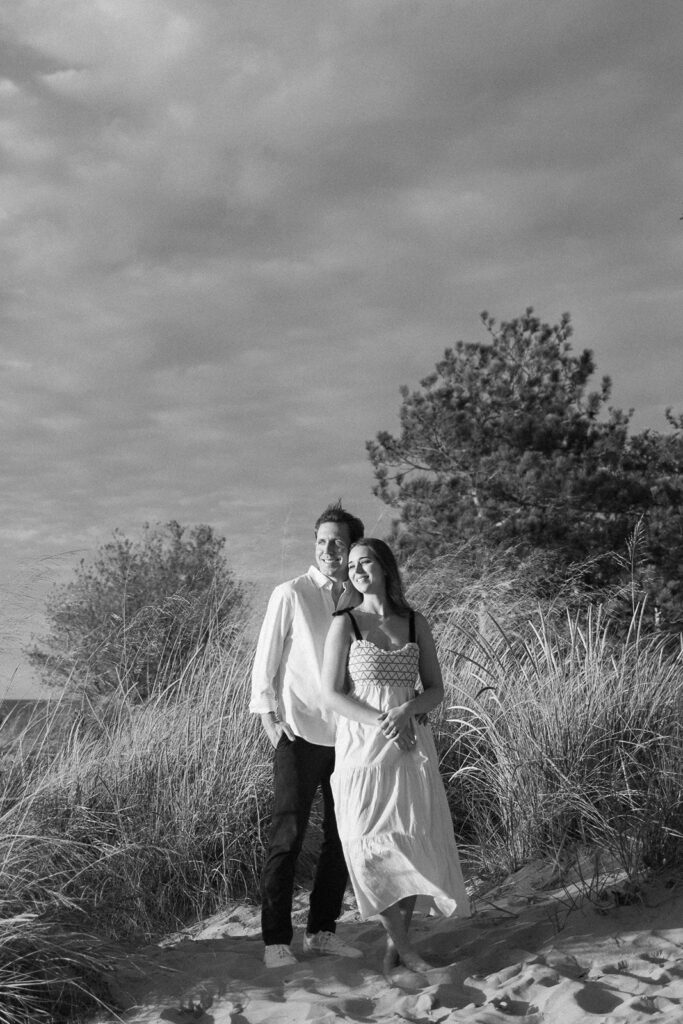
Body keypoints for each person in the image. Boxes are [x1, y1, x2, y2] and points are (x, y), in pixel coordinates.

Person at [321, 537, 470, 975]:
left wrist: (407, 709)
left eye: (365, 561)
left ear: (385, 567)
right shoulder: (344, 623)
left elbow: (436, 689)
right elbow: (331, 694)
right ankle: (407, 953)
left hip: (410, 750)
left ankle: (397, 949)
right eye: (351, 565)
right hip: (363, 753)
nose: (356, 570)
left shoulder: (414, 622)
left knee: (406, 846)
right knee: (369, 848)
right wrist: (381, 720)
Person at [249, 501, 366, 968]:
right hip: (297, 736)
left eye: (338, 541)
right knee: (288, 836)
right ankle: (276, 940)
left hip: (350, 740)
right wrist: (271, 725)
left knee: (342, 836)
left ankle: (321, 931)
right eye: (321, 541)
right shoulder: (290, 593)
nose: (328, 549)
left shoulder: (359, 598)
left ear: (352, 545)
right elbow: (265, 665)